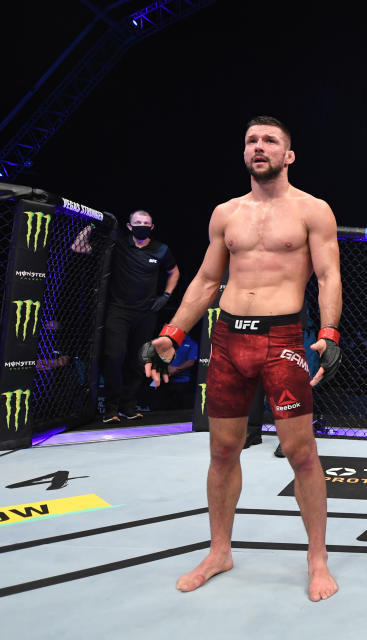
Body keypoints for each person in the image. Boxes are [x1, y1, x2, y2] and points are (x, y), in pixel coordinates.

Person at [140, 116, 343, 601]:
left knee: (301, 453)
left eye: (270, 140)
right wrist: (171, 334)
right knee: (222, 449)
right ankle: (219, 551)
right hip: (228, 339)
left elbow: (328, 275)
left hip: (283, 340)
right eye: (252, 140)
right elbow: (208, 281)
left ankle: (317, 559)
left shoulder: (312, 210)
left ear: (288, 155)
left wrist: (331, 331)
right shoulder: (226, 213)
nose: (259, 146)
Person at [101, 210, 179, 422]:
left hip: (146, 312)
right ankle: (110, 408)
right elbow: (78, 248)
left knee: (138, 360)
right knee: (114, 356)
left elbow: (174, 271)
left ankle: (129, 405)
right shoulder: (119, 245)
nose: (142, 225)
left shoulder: (161, 249)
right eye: (138, 222)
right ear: (129, 226)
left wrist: (166, 295)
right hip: (118, 310)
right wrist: (91, 223)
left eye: (146, 223)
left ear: (152, 227)